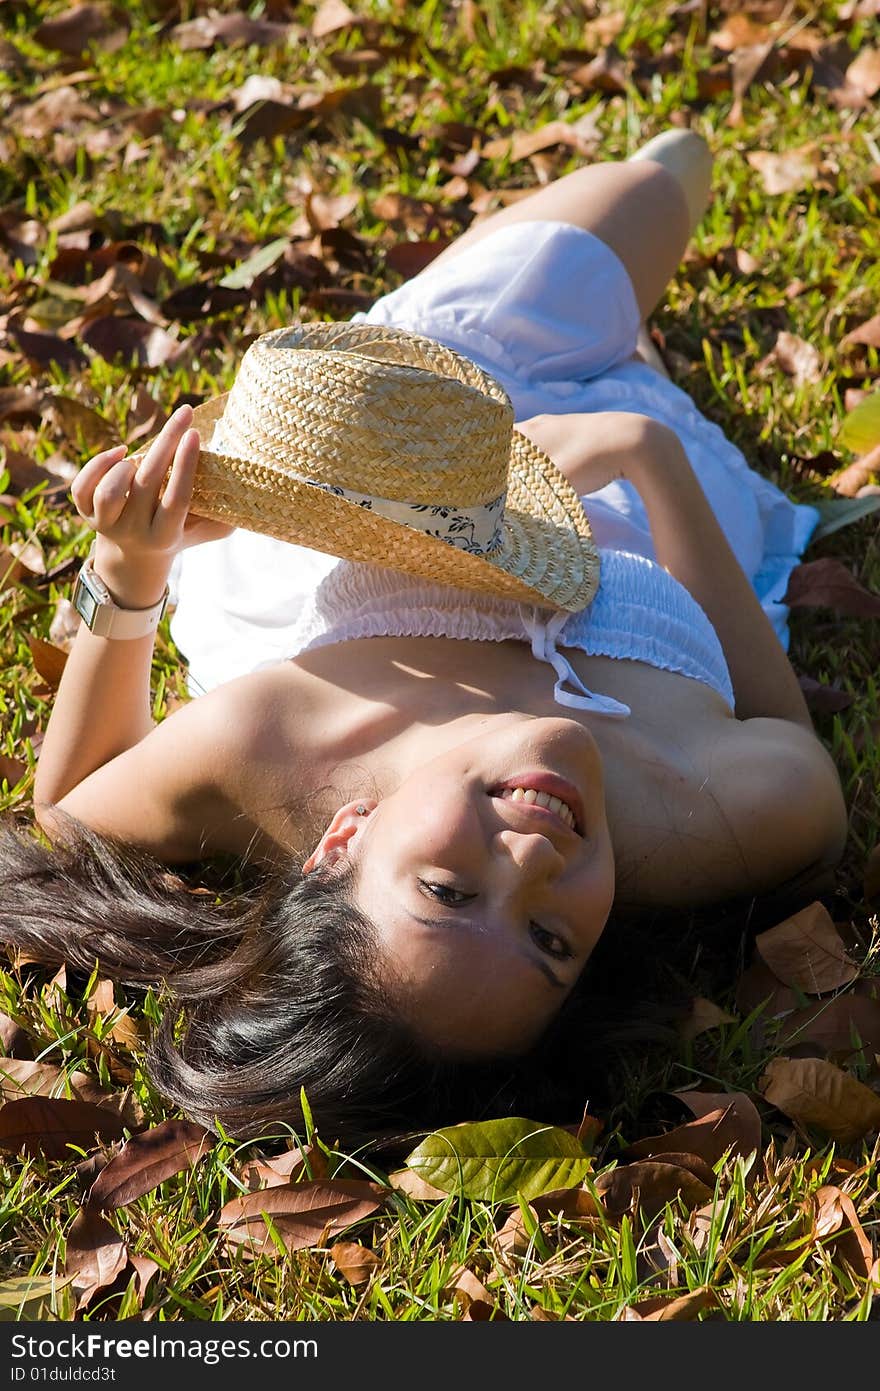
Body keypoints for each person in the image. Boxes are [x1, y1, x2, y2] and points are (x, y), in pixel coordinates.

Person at [0, 131, 847, 1150]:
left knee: (672, 168)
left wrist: (127, 567)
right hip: (653, 472)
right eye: (550, 936)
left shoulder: (280, 746)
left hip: (419, 400)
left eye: (449, 890)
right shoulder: (717, 810)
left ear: (340, 843)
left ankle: (613, 323)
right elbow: (781, 727)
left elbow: (68, 807)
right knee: (686, 192)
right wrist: (644, 454)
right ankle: (637, 369)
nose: (533, 859)